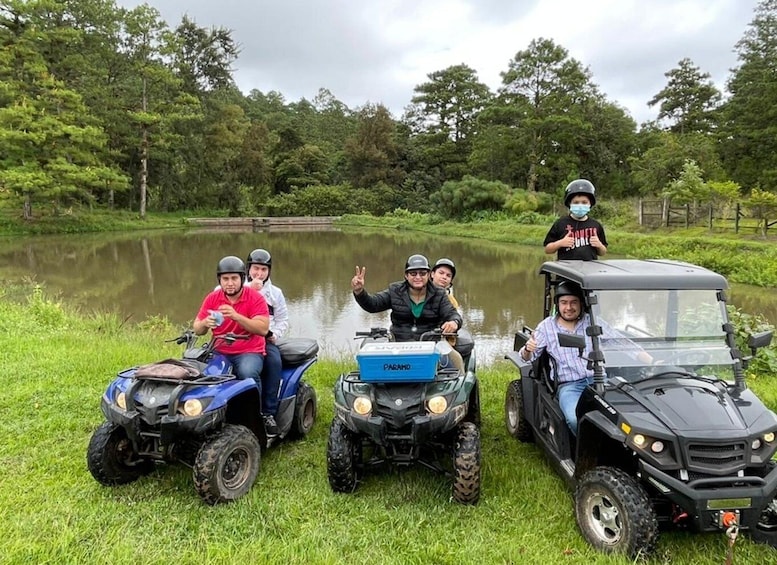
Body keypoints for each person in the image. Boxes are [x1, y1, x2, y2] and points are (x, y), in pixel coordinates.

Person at [518, 281, 650, 435]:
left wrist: (651, 360)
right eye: (564, 303)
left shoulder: (592, 321)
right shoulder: (546, 327)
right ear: (557, 305)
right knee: (575, 419)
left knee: (623, 417)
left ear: (581, 304)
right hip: (569, 386)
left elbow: (620, 341)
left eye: (573, 302)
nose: (569, 307)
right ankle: (584, 453)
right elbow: (526, 357)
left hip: (598, 380)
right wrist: (528, 348)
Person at [351, 254, 465, 372]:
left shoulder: (439, 294)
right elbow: (373, 305)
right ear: (406, 275)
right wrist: (359, 292)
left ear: (428, 274)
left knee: (456, 360)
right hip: (398, 342)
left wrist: (454, 322)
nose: (418, 277)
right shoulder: (395, 290)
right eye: (413, 273)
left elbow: (452, 313)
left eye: (422, 273)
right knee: (369, 367)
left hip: (432, 343)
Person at [193, 255, 270, 406]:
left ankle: (256, 415)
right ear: (219, 280)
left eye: (234, 278)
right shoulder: (212, 298)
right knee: (206, 376)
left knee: (247, 373)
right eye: (225, 279)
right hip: (219, 349)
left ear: (242, 278)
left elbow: (263, 328)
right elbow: (197, 329)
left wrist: (237, 316)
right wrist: (204, 323)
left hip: (250, 350)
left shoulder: (255, 298)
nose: (229, 283)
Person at [245, 248, 288, 436]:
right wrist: (250, 291)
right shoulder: (234, 286)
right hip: (234, 338)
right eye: (255, 269)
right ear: (248, 269)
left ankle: (268, 413)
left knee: (273, 362)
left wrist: (275, 334)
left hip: (263, 339)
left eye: (263, 270)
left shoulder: (275, 293)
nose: (259, 274)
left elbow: (283, 319)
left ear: (269, 271)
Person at [544, 179, 608, 261]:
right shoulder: (560, 224)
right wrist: (560, 243)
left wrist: (599, 245)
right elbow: (547, 250)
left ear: (590, 204)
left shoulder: (596, 225)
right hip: (566, 271)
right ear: (569, 204)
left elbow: (602, 252)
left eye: (584, 202)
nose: (580, 205)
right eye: (576, 202)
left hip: (589, 271)